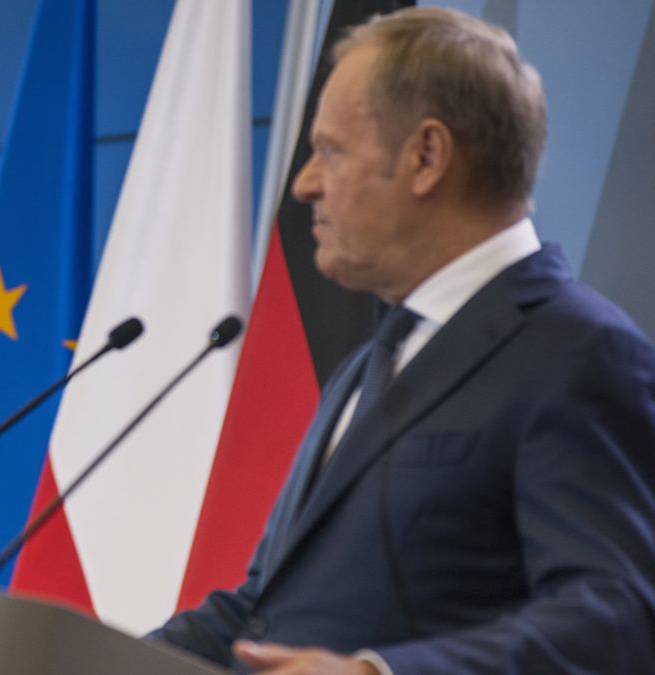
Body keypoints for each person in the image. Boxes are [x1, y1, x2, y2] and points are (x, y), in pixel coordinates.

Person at [150, 7, 655, 674]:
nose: (303, 183)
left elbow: (615, 617)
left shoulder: (579, 351)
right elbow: (260, 612)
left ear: (426, 157)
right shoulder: (366, 365)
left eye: (329, 150)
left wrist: (377, 673)